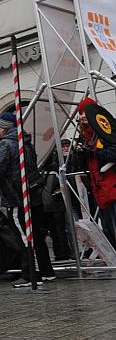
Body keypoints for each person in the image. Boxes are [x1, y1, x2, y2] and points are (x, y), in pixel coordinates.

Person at [0, 112, 55, 287]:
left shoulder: (6, 145)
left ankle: (31, 273)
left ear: (3, 128)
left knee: (24, 236)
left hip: (16, 197)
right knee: (37, 235)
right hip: (32, 194)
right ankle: (46, 271)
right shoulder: (25, 142)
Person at [75, 98, 116, 246]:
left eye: (84, 112)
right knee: (108, 230)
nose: (81, 116)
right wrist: (80, 153)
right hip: (100, 189)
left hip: (111, 187)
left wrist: (93, 152)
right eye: (80, 113)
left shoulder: (107, 129)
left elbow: (113, 153)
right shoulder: (86, 134)